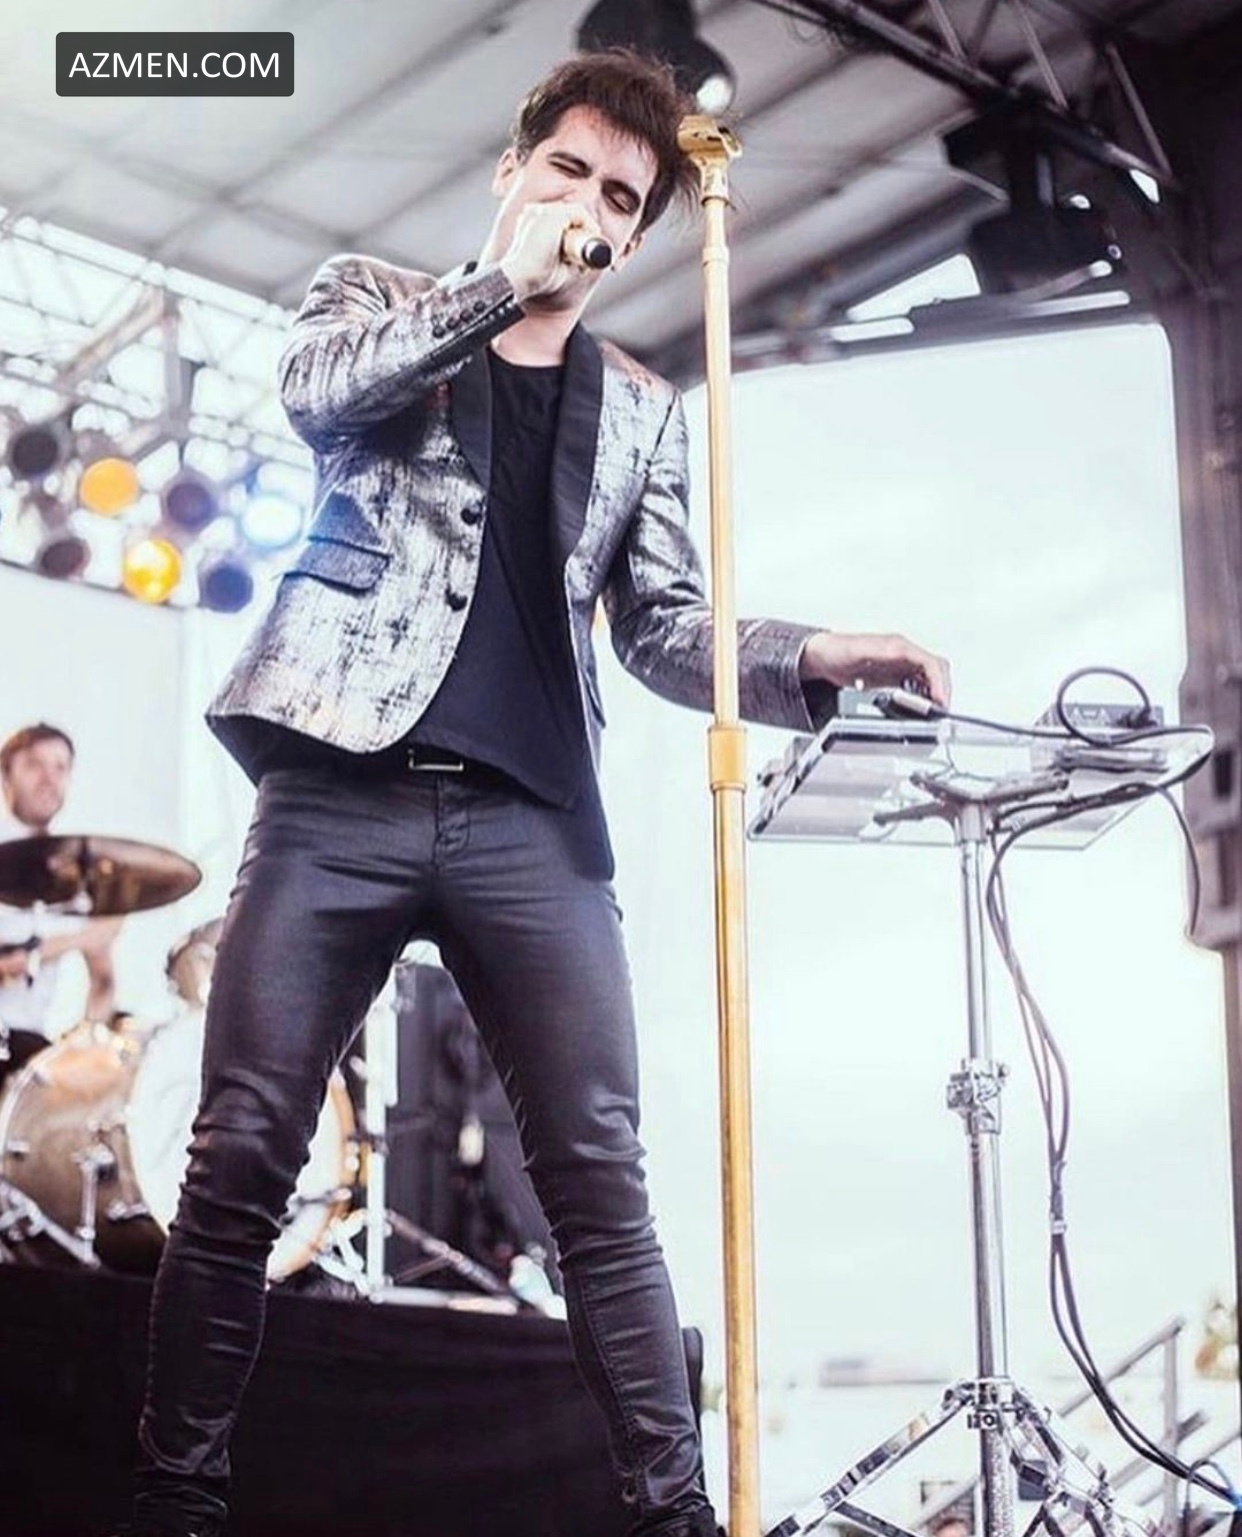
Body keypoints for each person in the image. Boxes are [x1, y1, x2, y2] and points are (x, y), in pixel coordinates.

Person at [123, 50, 951, 1537]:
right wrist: (499, 288)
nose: (591, 206)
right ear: (512, 172)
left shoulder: (639, 407)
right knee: (241, 1151)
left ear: (635, 237)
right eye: (568, 170)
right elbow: (322, 399)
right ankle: (175, 1502)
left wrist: (814, 654)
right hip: (338, 790)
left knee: (599, 1185)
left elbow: (661, 629)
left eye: (622, 198)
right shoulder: (373, 300)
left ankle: (674, 1515)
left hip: (530, 819)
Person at [0, 723, 122, 1078]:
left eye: (60, 767)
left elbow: (103, 982)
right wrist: (80, 938)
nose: (48, 778)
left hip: (27, 1048)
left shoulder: (74, 880)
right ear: (6, 776)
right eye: (34, 764)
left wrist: (86, 1044)